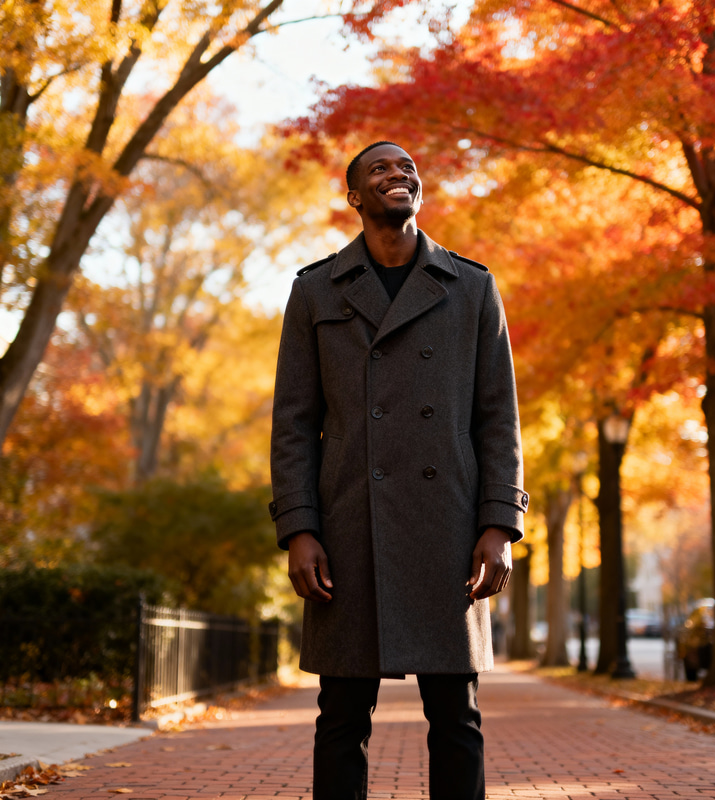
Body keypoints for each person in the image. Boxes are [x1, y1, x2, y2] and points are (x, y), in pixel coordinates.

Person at [269, 141, 528, 800]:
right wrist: (299, 529)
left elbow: (498, 419)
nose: (397, 173)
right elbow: (294, 424)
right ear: (354, 196)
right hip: (350, 528)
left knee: (457, 718)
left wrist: (500, 525)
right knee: (342, 719)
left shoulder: (471, 286)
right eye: (378, 169)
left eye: (407, 167)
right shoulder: (315, 289)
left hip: (449, 532)